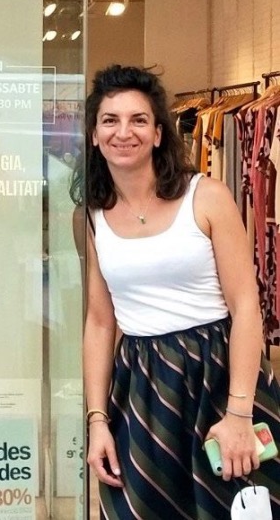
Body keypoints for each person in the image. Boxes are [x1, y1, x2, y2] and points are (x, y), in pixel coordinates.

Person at [78, 64, 280, 518]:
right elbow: (99, 321)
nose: (123, 132)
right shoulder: (89, 216)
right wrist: (97, 421)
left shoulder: (206, 196)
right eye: (110, 120)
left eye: (138, 120)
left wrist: (240, 412)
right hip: (141, 385)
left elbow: (246, 307)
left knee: (236, 506)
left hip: (219, 371)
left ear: (157, 133)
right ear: (94, 134)